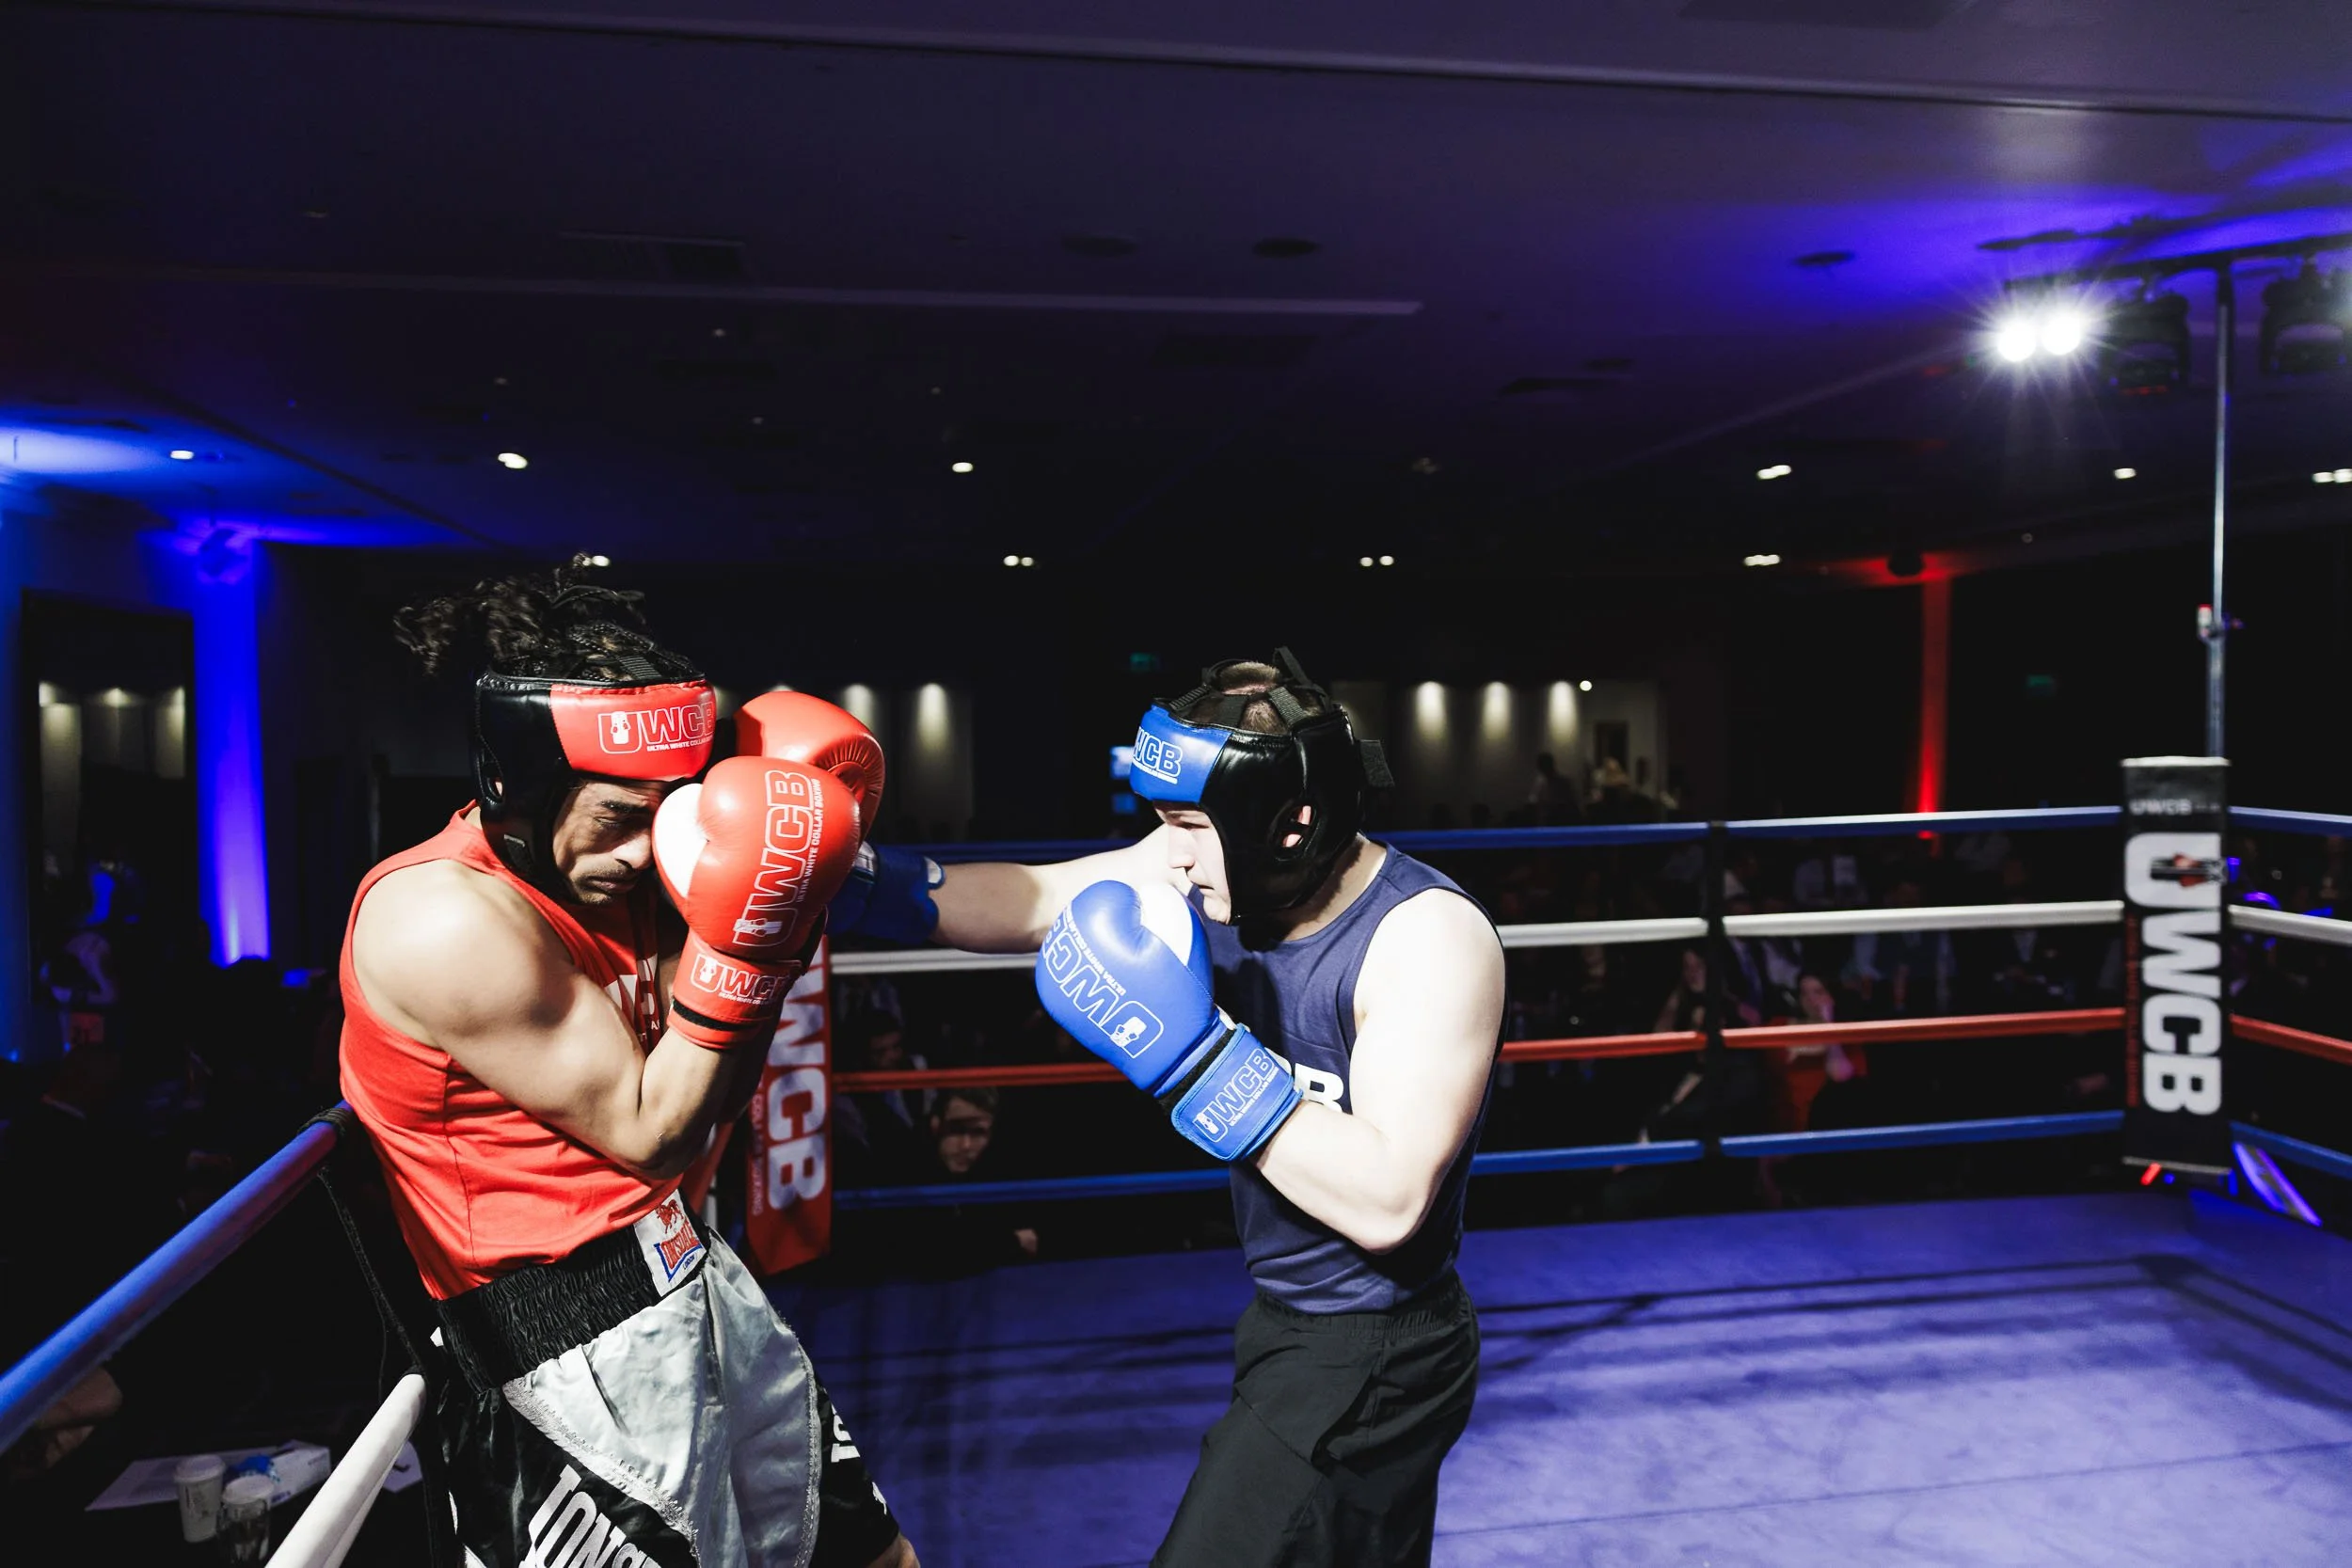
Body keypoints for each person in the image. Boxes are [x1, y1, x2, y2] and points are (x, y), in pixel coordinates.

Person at [338, 560, 918, 1568]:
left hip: (694, 1271)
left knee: (872, 1556)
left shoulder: (642, 865)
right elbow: (656, 1129)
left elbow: (721, 1080)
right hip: (564, 1349)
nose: (653, 850)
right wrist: (754, 940)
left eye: (675, 807)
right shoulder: (442, 918)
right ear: (518, 786)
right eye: (618, 812)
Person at [866, 650, 1502, 1568]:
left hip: (1376, 1348)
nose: (1169, 850)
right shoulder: (1219, 865)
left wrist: (1194, 1059)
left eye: (1187, 823)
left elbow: (1390, 1197)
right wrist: (863, 884)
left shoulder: (1425, 938)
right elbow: (1041, 899)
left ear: (1291, 823)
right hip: (1287, 1318)